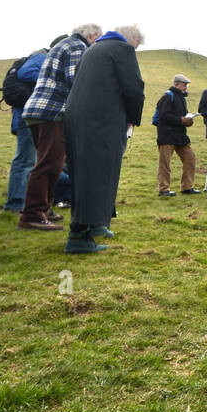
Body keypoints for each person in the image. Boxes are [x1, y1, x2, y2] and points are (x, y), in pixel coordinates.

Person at [63, 27, 146, 254]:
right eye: (136, 47)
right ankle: (84, 234)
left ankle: (86, 227)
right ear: (132, 41)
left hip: (77, 117)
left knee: (84, 173)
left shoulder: (93, 49)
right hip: (102, 118)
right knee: (101, 171)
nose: (134, 51)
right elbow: (134, 88)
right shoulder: (121, 49)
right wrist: (133, 119)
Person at [18, 25, 101, 231]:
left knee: (47, 161)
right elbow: (76, 81)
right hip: (52, 112)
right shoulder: (77, 47)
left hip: (39, 110)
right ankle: (32, 214)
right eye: (97, 40)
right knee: (50, 164)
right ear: (92, 35)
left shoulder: (63, 45)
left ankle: (44, 208)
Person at [1, 44, 51, 213]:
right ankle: (15, 204)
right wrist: (49, 77)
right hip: (26, 116)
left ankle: (23, 201)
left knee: (30, 160)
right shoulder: (42, 56)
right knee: (25, 160)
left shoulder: (42, 56)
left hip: (29, 115)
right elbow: (25, 73)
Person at [156, 74, 200, 196]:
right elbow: (163, 116)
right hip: (166, 136)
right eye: (184, 84)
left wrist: (189, 121)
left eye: (186, 85)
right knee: (165, 164)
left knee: (190, 158)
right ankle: (163, 189)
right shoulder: (167, 97)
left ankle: (187, 187)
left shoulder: (181, 98)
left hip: (180, 136)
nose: (186, 87)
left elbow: (182, 116)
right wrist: (181, 120)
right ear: (176, 84)